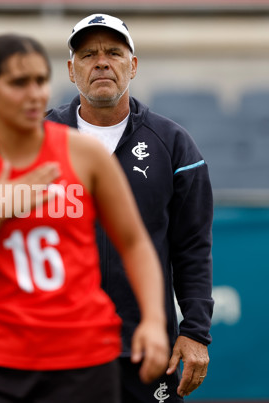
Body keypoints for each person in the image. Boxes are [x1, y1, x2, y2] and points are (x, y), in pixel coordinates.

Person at [0, 33, 168, 403]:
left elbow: (135, 242)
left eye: (41, 80)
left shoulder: (86, 155)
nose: (34, 93)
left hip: (83, 357)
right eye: (18, 82)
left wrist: (154, 321)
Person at [46, 13, 214, 401]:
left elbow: (193, 247)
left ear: (132, 65)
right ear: (71, 71)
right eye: (88, 55)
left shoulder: (174, 144)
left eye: (114, 53)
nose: (101, 62)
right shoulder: (40, 140)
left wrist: (194, 332)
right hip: (57, 350)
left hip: (144, 349)